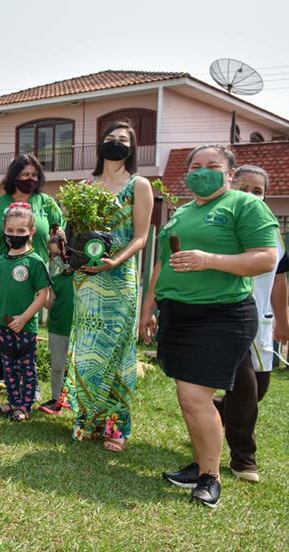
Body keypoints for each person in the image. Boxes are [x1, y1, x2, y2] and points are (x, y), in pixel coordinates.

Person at [140, 144, 277, 508]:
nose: (203, 171)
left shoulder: (245, 205)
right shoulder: (182, 213)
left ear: (229, 173)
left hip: (221, 314)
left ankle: (211, 476)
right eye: (196, 166)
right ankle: (202, 464)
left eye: (212, 165)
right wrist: (149, 307)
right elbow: (163, 263)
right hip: (178, 314)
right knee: (188, 398)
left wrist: (209, 260)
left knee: (195, 397)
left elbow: (266, 257)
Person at [64, 121, 153, 453]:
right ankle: (87, 418)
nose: (115, 143)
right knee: (86, 350)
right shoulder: (85, 186)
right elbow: (74, 232)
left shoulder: (139, 185)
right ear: (100, 145)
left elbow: (141, 236)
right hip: (87, 277)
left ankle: (117, 425)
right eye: (110, 138)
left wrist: (116, 261)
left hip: (119, 279)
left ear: (131, 148)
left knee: (117, 351)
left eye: (123, 140)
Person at [213, 164, 289, 483]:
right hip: (227, 317)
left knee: (259, 389)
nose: (250, 195)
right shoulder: (219, 225)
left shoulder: (271, 231)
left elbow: (279, 279)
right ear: (231, 186)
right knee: (245, 387)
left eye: (257, 191)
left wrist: (283, 321)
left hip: (262, 322)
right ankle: (244, 458)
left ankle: (217, 411)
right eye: (243, 188)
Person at [0, 204, 51, 421]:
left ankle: (25, 407)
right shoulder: (0, 262)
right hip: (3, 325)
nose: (15, 235)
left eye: (21, 231)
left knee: (27, 368)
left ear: (31, 232)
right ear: (4, 230)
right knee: (9, 367)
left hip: (25, 326)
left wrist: (24, 318)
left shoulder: (34, 262)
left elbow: (43, 294)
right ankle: (14, 403)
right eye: (11, 231)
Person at [0, 154, 63, 261]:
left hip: (38, 272)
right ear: (15, 176)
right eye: (25, 174)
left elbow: (61, 230)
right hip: (2, 271)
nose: (30, 178)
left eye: (34, 175)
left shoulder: (47, 202)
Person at [39, 235, 74, 415]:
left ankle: (76, 402)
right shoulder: (57, 280)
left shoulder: (84, 277)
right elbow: (49, 302)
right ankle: (55, 398)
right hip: (58, 327)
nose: (60, 258)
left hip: (77, 330)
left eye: (62, 253)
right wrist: (41, 293)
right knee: (57, 364)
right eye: (54, 255)